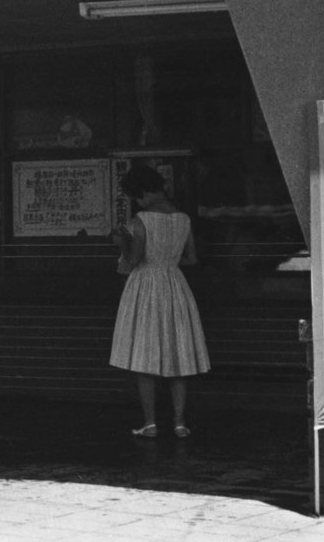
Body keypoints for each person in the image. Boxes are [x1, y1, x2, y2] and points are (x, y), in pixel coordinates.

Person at [109, 164, 210, 439]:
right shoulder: (183, 219)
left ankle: (151, 423)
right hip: (176, 285)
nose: (137, 202)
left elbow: (132, 261)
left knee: (146, 356)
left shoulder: (141, 220)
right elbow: (191, 259)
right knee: (180, 355)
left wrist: (121, 241)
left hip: (146, 286)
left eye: (137, 196)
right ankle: (179, 423)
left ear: (143, 193)